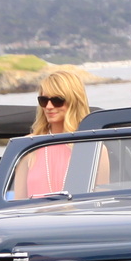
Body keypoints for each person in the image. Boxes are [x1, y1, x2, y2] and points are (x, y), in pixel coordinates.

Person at [22, 68, 92, 198]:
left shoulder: (92, 147)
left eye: (57, 100)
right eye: (43, 100)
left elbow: (99, 203)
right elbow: (17, 204)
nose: (48, 106)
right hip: (34, 218)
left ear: (73, 102)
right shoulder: (27, 145)